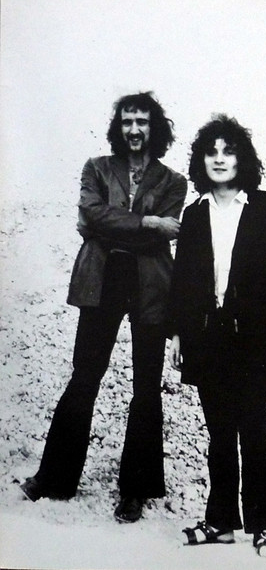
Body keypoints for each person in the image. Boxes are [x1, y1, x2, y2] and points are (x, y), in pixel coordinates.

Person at [20, 92, 188, 523]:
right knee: (85, 374)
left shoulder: (174, 181)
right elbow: (92, 214)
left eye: (142, 122)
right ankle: (54, 478)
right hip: (102, 281)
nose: (134, 129)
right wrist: (147, 222)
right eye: (127, 121)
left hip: (150, 285)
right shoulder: (96, 168)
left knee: (146, 385)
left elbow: (113, 227)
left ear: (154, 128)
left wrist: (110, 228)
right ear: (118, 127)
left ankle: (136, 490)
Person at [168, 114, 266, 557]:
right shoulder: (195, 214)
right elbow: (184, 281)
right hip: (209, 340)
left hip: (256, 342)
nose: (220, 159)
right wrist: (178, 335)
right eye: (212, 152)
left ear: (242, 159)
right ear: (201, 161)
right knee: (220, 434)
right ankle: (221, 522)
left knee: (254, 432)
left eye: (229, 152)